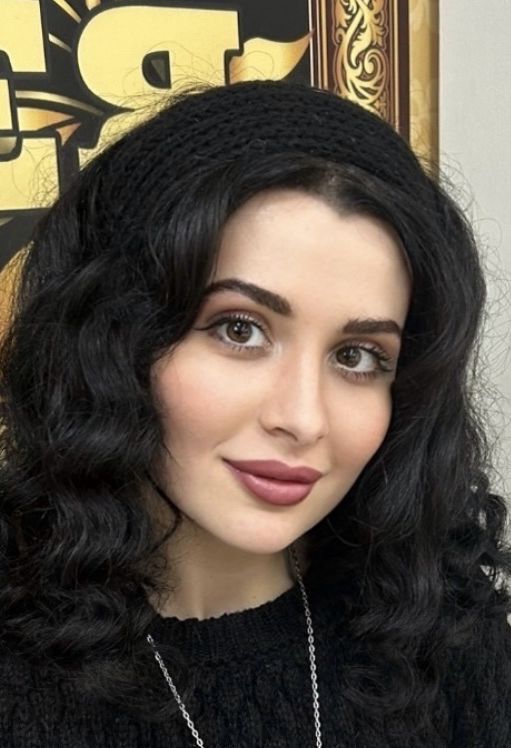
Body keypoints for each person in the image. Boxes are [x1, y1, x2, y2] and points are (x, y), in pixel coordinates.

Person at [0, 79, 509, 748]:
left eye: (357, 356)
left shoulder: (446, 632)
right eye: (239, 329)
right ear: (112, 339)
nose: (303, 419)